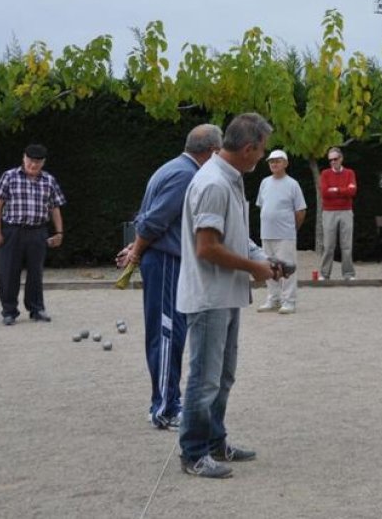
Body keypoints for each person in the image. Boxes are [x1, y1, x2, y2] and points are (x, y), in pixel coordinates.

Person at [177, 113, 281, 479]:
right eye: (262, 150)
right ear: (249, 148)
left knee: (222, 377)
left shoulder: (229, 179)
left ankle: (215, 441)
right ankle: (193, 453)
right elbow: (206, 248)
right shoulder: (214, 184)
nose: (263, 156)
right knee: (205, 379)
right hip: (209, 297)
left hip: (226, 294)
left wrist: (260, 258)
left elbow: (234, 237)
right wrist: (253, 269)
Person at [116, 124, 222, 430]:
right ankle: (163, 408)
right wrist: (136, 252)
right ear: (212, 152)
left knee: (169, 333)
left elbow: (146, 217)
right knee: (167, 335)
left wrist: (134, 247)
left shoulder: (170, 168)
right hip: (165, 263)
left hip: (162, 260)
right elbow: (153, 222)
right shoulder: (187, 175)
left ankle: (167, 402)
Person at [0, 144, 66, 325]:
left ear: (43, 162)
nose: (34, 165)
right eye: (31, 161)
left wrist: (59, 232)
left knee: (36, 273)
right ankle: (9, 311)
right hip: (12, 230)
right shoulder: (9, 177)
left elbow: (55, 207)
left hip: (38, 231)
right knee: (8, 272)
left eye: (38, 162)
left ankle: (37, 309)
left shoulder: (49, 180)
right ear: (24, 158)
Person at [256, 150, 307, 314]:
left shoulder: (292, 184)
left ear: (285, 163)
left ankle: (289, 301)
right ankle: (273, 298)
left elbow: (300, 211)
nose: (273, 164)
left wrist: (292, 229)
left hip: (285, 234)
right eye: (271, 161)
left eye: (277, 161)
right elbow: (262, 206)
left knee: (288, 268)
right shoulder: (264, 182)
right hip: (267, 233)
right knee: (270, 267)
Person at [318, 146, 358, 280]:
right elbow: (324, 192)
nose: (333, 162)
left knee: (346, 245)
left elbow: (352, 191)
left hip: (346, 211)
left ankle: (348, 274)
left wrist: (335, 190)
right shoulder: (325, 174)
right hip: (329, 212)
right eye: (330, 160)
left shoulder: (350, 173)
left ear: (341, 159)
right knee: (328, 245)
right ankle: (324, 274)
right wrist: (343, 190)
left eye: (335, 159)